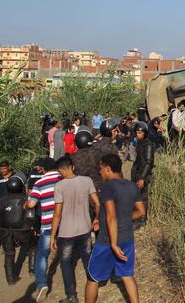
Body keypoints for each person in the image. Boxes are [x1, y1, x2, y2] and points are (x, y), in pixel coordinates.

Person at [86, 154, 145, 303]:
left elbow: (111, 217)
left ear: (107, 169)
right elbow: (141, 212)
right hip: (127, 239)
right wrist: (125, 217)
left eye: (101, 169)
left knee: (93, 278)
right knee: (127, 275)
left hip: (107, 241)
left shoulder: (108, 186)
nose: (100, 172)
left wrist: (113, 244)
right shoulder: (132, 185)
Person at [50, 157, 99, 303]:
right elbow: (97, 202)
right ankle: (94, 282)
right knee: (87, 258)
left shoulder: (59, 186)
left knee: (65, 263)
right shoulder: (87, 181)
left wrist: (53, 236)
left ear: (62, 169)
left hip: (66, 232)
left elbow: (57, 214)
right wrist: (96, 218)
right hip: (84, 229)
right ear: (72, 166)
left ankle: (71, 296)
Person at [25, 157, 62, 302]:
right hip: (65, 223)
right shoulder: (62, 178)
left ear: (44, 169)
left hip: (48, 223)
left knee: (41, 255)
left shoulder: (39, 183)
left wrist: (26, 204)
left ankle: (42, 284)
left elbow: (32, 204)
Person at [0, 175, 36, 285]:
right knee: (32, 247)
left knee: (9, 253)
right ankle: (32, 270)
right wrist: (35, 228)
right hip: (23, 229)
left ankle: (11, 279)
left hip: (6, 230)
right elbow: (31, 215)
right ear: (21, 187)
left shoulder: (2, 200)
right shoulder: (26, 199)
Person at [131, 122, 155, 221]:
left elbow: (148, 162)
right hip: (137, 173)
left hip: (143, 174)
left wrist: (142, 178)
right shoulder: (140, 143)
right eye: (136, 133)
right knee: (136, 196)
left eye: (140, 133)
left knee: (143, 197)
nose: (138, 135)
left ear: (145, 133)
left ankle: (143, 217)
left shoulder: (148, 145)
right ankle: (138, 215)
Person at [92, 118, 119, 191]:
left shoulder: (94, 145)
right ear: (108, 132)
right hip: (107, 184)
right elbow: (115, 169)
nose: (116, 133)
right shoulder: (112, 147)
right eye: (114, 131)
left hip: (94, 185)